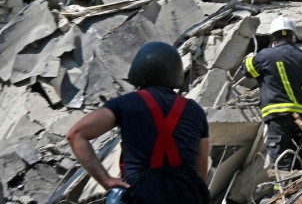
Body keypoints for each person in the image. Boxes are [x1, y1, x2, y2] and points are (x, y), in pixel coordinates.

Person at [66, 41, 210, 204]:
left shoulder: (126, 103)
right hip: (189, 192)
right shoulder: (195, 110)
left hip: (144, 192)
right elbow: (201, 170)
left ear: (138, 72)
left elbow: (76, 134)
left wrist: (105, 179)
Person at [243, 15, 302, 172]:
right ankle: (297, 192)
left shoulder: (265, 55)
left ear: (273, 36)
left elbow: (248, 71)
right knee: (296, 155)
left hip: (277, 115)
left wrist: (249, 57)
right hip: (301, 116)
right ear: (292, 36)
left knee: (280, 160)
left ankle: (282, 193)